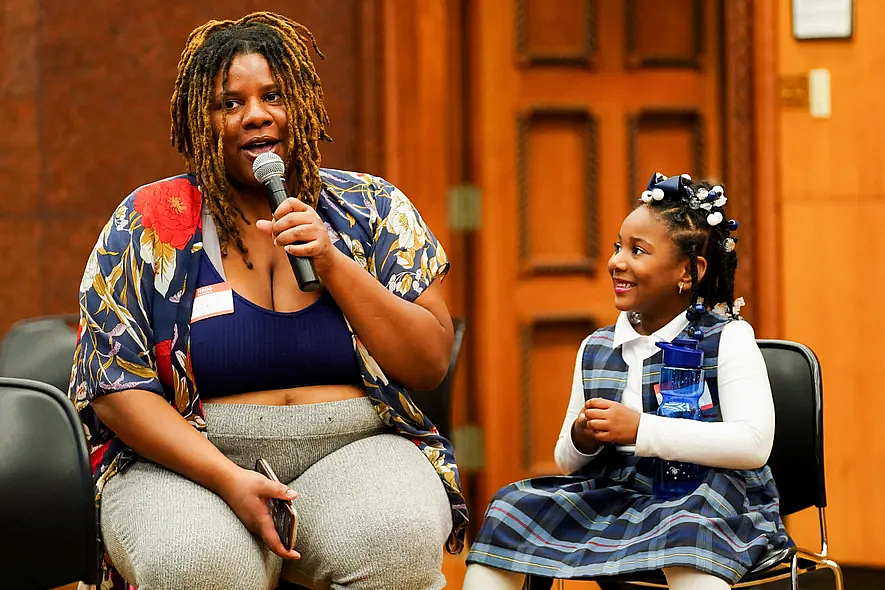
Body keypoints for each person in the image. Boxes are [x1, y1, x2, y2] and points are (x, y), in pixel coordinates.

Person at [69, 12, 466, 590]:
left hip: (356, 448)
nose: (255, 114)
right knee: (195, 564)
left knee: (394, 540)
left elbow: (428, 361)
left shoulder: (372, 208)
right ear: (198, 123)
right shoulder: (147, 224)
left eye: (272, 96)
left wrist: (333, 263)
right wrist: (229, 479)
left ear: (300, 105)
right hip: (190, 464)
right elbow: (114, 390)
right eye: (229, 103)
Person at [462, 172, 792, 590]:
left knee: (687, 531)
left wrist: (640, 429)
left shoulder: (727, 337)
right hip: (619, 496)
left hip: (706, 498)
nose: (617, 261)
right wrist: (583, 436)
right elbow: (566, 461)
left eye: (638, 251)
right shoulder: (597, 347)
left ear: (688, 272)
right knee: (509, 509)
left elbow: (754, 444)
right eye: (618, 246)